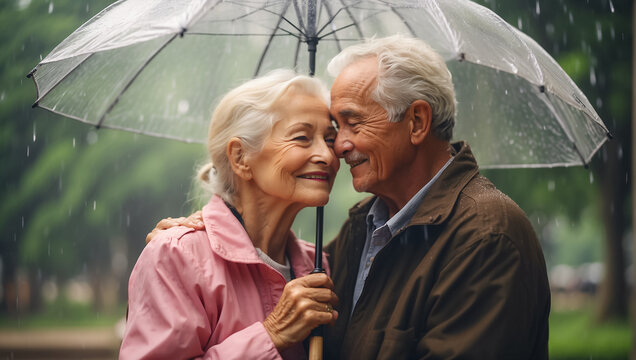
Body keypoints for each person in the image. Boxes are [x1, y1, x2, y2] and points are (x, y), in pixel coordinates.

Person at [149, 35, 551, 359]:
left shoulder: (486, 237)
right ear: (240, 158)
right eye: (320, 133)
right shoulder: (357, 234)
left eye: (349, 124)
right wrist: (184, 248)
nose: (336, 148)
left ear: (416, 122)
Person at [120, 70, 340, 359]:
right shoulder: (176, 257)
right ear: (240, 157)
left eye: (330, 138)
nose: (327, 155)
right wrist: (271, 334)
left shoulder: (319, 265)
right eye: (302, 137)